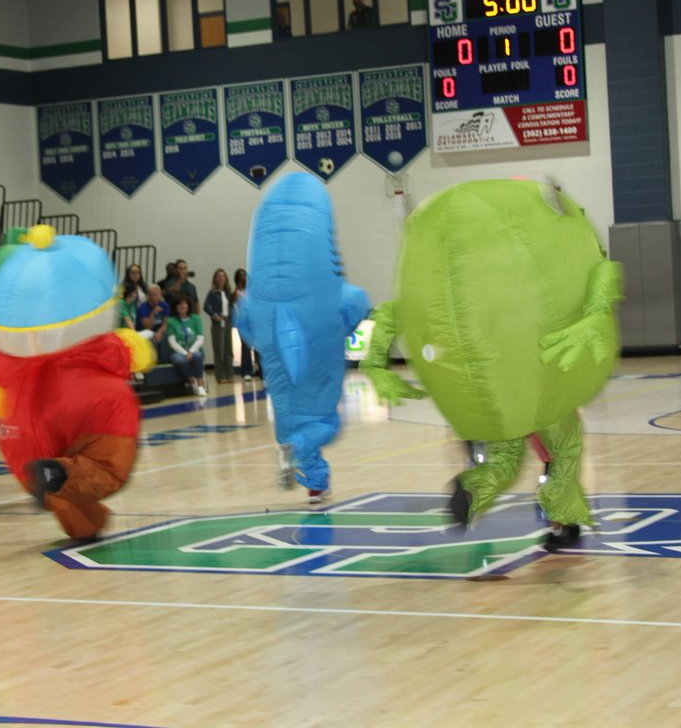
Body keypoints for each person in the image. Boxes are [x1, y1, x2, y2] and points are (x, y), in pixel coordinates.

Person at [360, 179, 622, 551]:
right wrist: (596, 316)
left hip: (495, 388)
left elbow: (392, 313)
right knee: (563, 450)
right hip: (541, 381)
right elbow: (604, 275)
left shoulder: (474, 286)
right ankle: (561, 522)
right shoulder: (527, 275)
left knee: (504, 457)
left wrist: (375, 364)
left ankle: (474, 487)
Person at [0, 226, 155, 540]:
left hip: (29, 413)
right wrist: (136, 350)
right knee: (108, 467)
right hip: (97, 401)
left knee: (50, 485)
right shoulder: (85, 324)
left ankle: (59, 480)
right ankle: (61, 473)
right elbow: (130, 352)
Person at [236, 173, 370, 504]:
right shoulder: (326, 287)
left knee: (291, 420)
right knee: (324, 422)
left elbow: (246, 322)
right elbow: (356, 304)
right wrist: (343, 326)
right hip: (317, 352)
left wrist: (266, 333)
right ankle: (305, 461)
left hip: (277, 350)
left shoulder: (259, 295)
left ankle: (315, 481)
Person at [166, 293, 206, 396]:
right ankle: (192, 381)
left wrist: (191, 351)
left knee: (197, 356)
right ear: (175, 307)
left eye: (183, 304)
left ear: (188, 305)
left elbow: (200, 338)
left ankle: (201, 384)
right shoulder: (171, 321)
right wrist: (185, 353)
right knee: (180, 360)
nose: (181, 306)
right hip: (177, 352)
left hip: (194, 349)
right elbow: (172, 342)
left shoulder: (196, 319)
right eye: (178, 304)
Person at [203, 268, 234, 383]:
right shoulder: (212, 293)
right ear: (215, 279)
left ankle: (229, 374)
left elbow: (231, 307)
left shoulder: (228, 293)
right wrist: (214, 315)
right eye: (219, 276)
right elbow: (206, 307)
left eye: (223, 276)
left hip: (227, 321)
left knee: (228, 349)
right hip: (218, 322)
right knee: (219, 349)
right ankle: (220, 376)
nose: (221, 278)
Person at [233, 268, 260, 381]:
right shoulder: (236, 292)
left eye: (245, 275)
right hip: (243, 323)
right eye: (241, 276)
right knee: (246, 347)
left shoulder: (251, 291)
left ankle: (259, 369)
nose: (243, 277)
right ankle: (246, 371)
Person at [136, 283, 170, 357]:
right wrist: (153, 313)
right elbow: (148, 327)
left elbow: (165, 324)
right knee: (152, 337)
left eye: (155, 295)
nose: (153, 297)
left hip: (158, 330)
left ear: (160, 295)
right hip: (144, 331)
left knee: (166, 335)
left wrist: (159, 332)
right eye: (150, 295)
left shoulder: (165, 305)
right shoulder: (142, 307)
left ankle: (163, 362)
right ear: (147, 296)